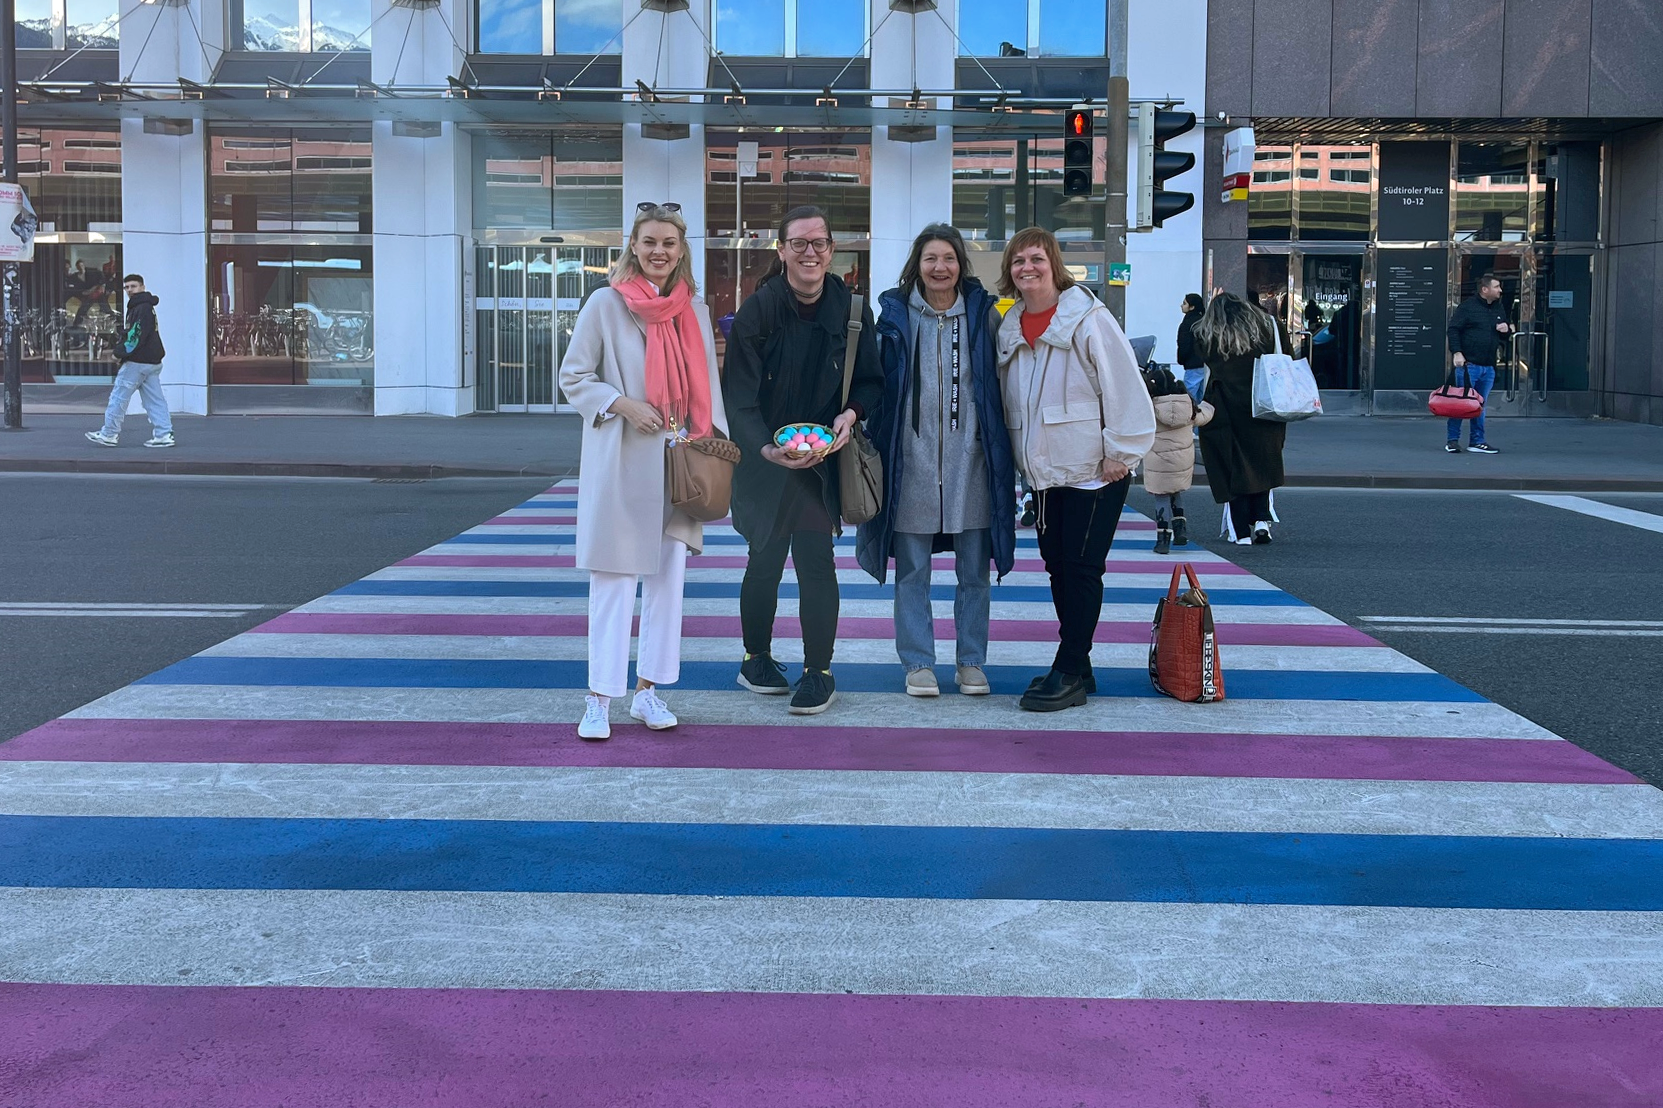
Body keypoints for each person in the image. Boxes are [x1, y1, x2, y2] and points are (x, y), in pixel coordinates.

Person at [558, 202, 729, 741]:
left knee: (667, 584)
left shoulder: (693, 309)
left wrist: (713, 445)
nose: (659, 251)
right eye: (649, 241)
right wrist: (622, 404)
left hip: (680, 463)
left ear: (681, 251)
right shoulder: (606, 303)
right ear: (633, 245)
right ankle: (599, 698)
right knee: (612, 580)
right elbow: (573, 375)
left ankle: (648, 691)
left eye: (668, 243)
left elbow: (709, 388)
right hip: (623, 458)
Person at [722, 204, 883, 715]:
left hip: (822, 461)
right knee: (764, 560)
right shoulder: (759, 310)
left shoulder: (853, 311)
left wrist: (850, 416)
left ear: (831, 251)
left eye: (819, 243)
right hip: (764, 460)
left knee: (816, 561)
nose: (809, 252)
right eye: (799, 243)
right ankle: (756, 659)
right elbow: (738, 397)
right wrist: (766, 448)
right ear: (782, 250)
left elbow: (871, 381)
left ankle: (819, 672)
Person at [996, 227, 1155, 712]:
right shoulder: (1010, 326)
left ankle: (1068, 670)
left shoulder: (1088, 318)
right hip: (1045, 471)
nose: (1027, 268)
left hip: (1094, 469)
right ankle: (1078, 664)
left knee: (1082, 568)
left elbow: (1124, 384)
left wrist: (1121, 451)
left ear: (1054, 265)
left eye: (1036, 259)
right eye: (1018, 261)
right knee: (1058, 567)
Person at [856, 223, 1016, 698]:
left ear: (961, 264)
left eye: (948, 258)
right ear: (917, 265)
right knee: (912, 571)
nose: (939, 267)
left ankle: (971, 662)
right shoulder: (895, 317)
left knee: (975, 572)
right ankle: (918, 663)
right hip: (912, 462)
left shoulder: (983, 316)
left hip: (973, 463)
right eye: (931, 259)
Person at [1194, 290, 1286, 545]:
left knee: (1233, 467)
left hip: (1226, 408)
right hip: (1265, 405)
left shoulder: (1210, 335)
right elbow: (1286, 355)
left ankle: (1240, 531)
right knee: (1263, 462)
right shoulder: (1268, 327)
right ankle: (1262, 520)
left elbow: (1198, 353)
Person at [85, 274, 173, 449]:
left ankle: (109, 433)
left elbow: (136, 335)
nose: (129, 290)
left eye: (133, 286)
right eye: (126, 287)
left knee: (118, 397)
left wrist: (119, 353)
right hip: (152, 361)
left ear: (142, 287)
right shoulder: (146, 306)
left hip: (137, 362)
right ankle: (164, 434)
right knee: (155, 400)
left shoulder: (141, 307)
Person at [1142, 362, 1213, 555]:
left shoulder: (1150, 407)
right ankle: (1180, 529)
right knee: (1175, 492)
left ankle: (1163, 540)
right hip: (1182, 460)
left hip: (1158, 461)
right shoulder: (1187, 405)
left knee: (1161, 496)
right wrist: (1209, 404)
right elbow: (1204, 416)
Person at [1444, 274, 1512, 454]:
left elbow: (1505, 332)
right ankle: (1452, 440)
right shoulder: (1468, 307)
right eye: (1496, 287)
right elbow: (1453, 329)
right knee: (1460, 403)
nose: (1500, 290)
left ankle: (1477, 441)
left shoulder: (1498, 308)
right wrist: (1457, 352)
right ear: (1485, 289)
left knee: (1480, 405)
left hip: (1488, 366)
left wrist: (1507, 329)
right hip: (1469, 365)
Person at [1175, 292, 1207, 403]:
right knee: (1202, 396)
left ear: (1191, 307)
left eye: (1184, 303)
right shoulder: (1204, 321)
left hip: (1192, 364)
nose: (1181, 305)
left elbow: (1184, 345)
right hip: (1205, 364)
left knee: (1189, 397)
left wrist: (1181, 360)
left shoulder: (1186, 324)